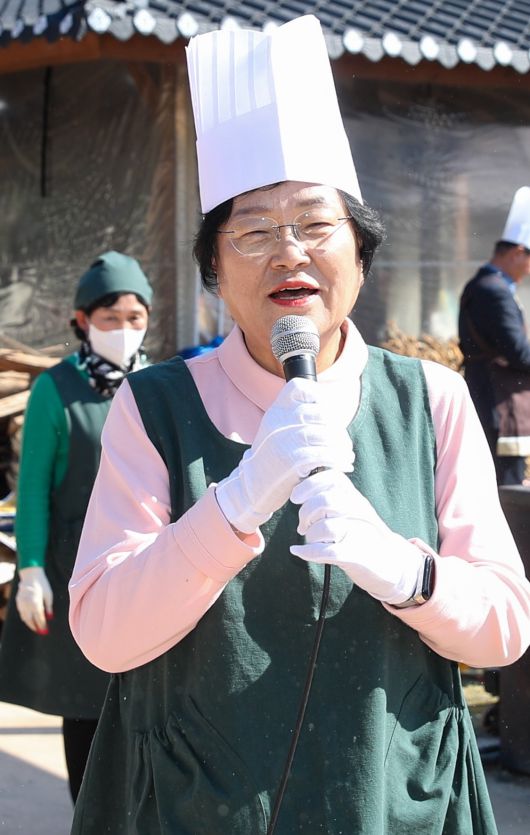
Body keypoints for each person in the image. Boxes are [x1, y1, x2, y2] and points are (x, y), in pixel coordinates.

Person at [69, 17, 530, 834]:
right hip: (194, 807)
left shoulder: (432, 398)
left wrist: (402, 569)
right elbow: (104, 634)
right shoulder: (155, 407)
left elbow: (504, 626)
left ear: (360, 251)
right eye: (252, 231)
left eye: (316, 225)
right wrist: (236, 502)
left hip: (393, 801)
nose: (289, 253)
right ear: (214, 269)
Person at [0, 251, 153, 803]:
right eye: (110, 318)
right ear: (82, 321)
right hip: (75, 572)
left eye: (135, 318)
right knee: (86, 703)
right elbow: (35, 487)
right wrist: (32, 568)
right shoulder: (56, 390)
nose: (124, 330)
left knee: (148, 704)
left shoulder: (158, 385)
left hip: (146, 567)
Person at [459, 186, 530, 485]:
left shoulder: (484, 285)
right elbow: (517, 351)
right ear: (517, 253)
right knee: (504, 487)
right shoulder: (494, 292)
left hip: (488, 396)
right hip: (497, 403)